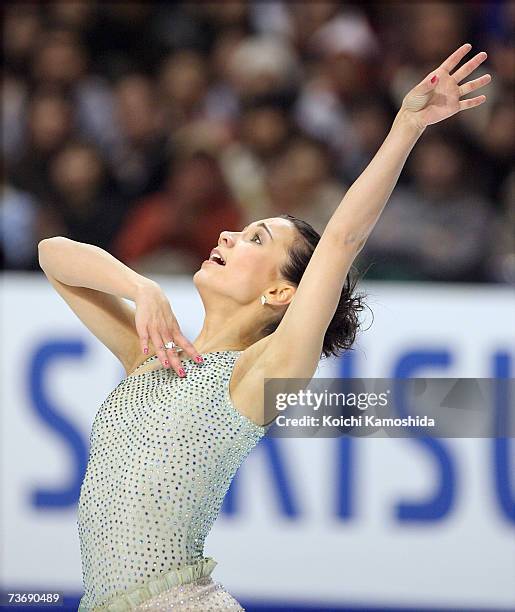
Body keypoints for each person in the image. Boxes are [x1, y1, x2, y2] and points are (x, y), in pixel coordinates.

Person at [38, 43, 490, 611]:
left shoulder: (258, 373)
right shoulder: (151, 355)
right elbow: (53, 254)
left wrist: (406, 126)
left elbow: (343, 240)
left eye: (256, 240)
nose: (228, 235)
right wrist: (140, 287)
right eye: (240, 230)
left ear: (282, 293)